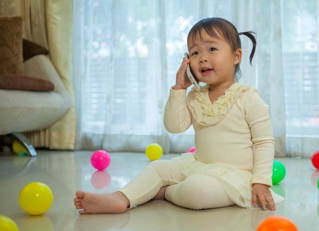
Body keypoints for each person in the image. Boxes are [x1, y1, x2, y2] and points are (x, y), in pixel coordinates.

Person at [74, 17, 282, 214]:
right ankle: (122, 198)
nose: (203, 58)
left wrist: (261, 182)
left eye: (212, 49)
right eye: (194, 53)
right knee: (157, 168)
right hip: (200, 165)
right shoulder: (194, 96)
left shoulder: (248, 97)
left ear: (236, 56)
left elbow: (263, 142)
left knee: (198, 191)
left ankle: (163, 192)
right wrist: (179, 88)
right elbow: (174, 126)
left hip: (235, 176)